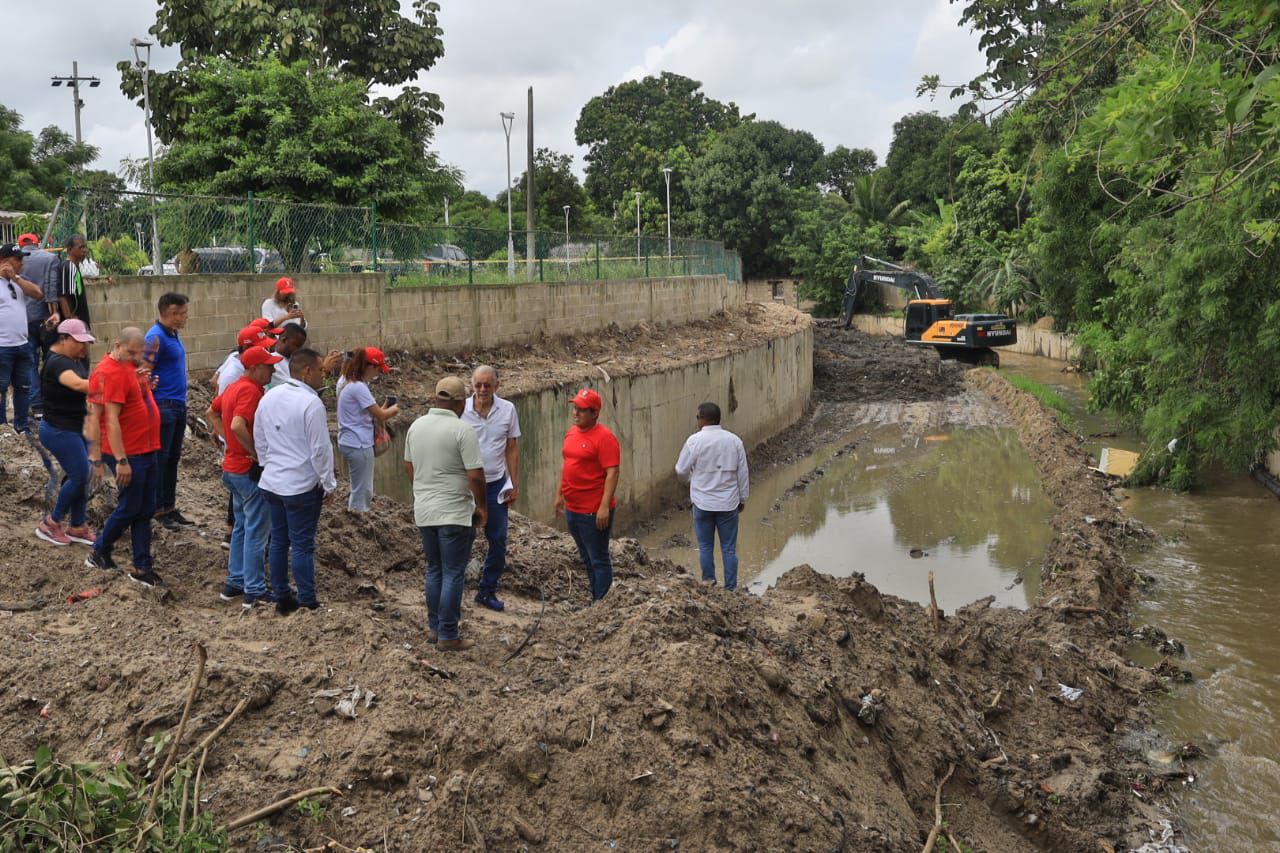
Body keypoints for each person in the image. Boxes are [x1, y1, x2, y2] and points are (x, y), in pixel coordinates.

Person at [404, 376, 486, 651]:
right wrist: (481, 506)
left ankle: (435, 629)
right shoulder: (462, 430)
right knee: (453, 572)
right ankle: (449, 635)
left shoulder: (416, 426)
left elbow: (409, 467)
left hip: (425, 510)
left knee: (434, 569)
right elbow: (475, 476)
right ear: (461, 402)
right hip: (454, 511)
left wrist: (424, 490)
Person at [254, 348, 336, 614]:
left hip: (272, 483)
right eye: (321, 371)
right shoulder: (311, 403)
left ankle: (281, 595)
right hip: (300, 486)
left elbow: (260, 437)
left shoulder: (269, 397)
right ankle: (308, 599)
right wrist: (328, 483)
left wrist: (269, 464)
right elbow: (320, 449)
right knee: (302, 545)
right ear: (307, 371)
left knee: (278, 541)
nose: (324, 377)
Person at [85, 327, 165, 588]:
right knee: (131, 507)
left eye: (138, 354)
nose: (135, 358)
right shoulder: (109, 373)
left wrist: (144, 383)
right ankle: (99, 550)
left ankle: (142, 566)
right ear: (117, 345)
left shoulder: (127, 368)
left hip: (146, 447)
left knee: (144, 509)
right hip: (130, 452)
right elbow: (111, 420)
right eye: (131, 352)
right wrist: (121, 460)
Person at [207, 345, 282, 609]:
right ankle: (254, 590)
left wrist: (228, 441)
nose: (273, 369)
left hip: (232, 469)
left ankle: (235, 582)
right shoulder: (250, 391)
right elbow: (238, 424)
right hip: (246, 471)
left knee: (240, 527)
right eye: (268, 366)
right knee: (256, 532)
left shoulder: (234, 387)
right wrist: (256, 453)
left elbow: (211, 412)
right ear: (254, 368)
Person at [461, 365, 521, 611]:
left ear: (497, 385)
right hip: (466, 486)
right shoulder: (460, 410)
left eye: (487, 385)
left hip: (496, 484)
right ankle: (456, 589)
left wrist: (514, 483)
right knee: (463, 537)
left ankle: (487, 590)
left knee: (498, 539)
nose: (482, 390)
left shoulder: (508, 410)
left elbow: (512, 447)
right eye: (478, 385)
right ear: (472, 386)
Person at [34, 319, 97, 547]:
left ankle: (78, 526)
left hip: (73, 427)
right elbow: (80, 385)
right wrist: (114, 381)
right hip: (57, 430)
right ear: (64, 339)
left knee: (80, 475)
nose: (84, 347)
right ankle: (51, 523)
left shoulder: (75, 358)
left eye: (86, 343)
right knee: (81, 474)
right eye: (79, 342)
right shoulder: (57, 363)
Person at [675, 402, 750, 591]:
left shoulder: (694, 441)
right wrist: (742, 498)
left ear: (702, 419)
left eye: (697, 418)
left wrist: (691, 481)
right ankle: (731, 588)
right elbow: (742, 473)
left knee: (706, 546)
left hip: (702, 503)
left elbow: (681, 470)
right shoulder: (734, 441)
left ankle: (709, 582)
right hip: (728, 503)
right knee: (729, 548)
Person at [554, 388, 621, 601]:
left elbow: (612, 472)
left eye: (581, 410)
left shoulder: (605, 438)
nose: (576, 413)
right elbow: (567, 465)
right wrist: (559, 494)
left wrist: (603, 507)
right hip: (573, 508)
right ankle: (596, 598)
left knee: (598, 559)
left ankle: (603, 603)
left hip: (593, 511)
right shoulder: (572, 433)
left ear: (595, 413)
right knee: (586, 557)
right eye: (575, 409)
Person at [145, 292, 192, 530]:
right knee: (161, 459)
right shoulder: (155, 338)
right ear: (171, 313)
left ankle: (169, 506)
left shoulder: (172, 335)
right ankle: (157, 508)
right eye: (182, 313)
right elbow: (144, 371)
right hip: (162, 406)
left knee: (172, 459)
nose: (185, 317)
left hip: (177, 404)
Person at [337, 347, 399, 512]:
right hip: (358, 443)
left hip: (351, 441)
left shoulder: (351, 384)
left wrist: (384, 409)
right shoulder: (358, 387)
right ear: (369, 366)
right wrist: (394, 410)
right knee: (363, 490)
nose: (378, 373)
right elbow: (380, 415)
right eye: (378, 369)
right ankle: (358, 517)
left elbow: (370, 412)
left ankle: (356, 515)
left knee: (359, 486)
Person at [0, 243, 45, 434]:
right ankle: (2, 427)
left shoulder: (17, 281)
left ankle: (21, 425)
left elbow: (38, 293)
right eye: (17, 260)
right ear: (3, 261)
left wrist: (16, 278)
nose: (21, 264)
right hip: (2, 345)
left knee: (23, 387)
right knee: (1, 388)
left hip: (22, 344)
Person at [16, 234, 60, 412]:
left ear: (21, 246)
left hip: (24, 319)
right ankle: (52, 399)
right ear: (37, 243)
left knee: (30, 363)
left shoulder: (15, 262)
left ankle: (36, 404)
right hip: (45, 318)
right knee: (51, 359)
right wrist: (54, 313)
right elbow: (51, 289)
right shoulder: (50, 258)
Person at [56, 235, 93, 328]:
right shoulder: (69, 266)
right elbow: (63, 296)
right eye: (81, 247)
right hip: (74, 325)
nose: (84, 250)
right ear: (69, 249)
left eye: (85, 247)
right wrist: (70, 319)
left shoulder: (74, 267)